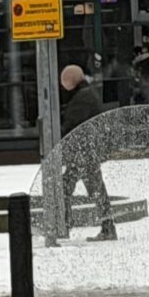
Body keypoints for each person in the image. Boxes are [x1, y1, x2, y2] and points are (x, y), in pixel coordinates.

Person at [58, 65, 116, 241]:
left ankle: (66, 226)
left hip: (83, 152)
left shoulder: (82, 99)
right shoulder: (87, 94)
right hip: (86, 150)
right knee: (80, 186)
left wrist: (58, 138)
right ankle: (105, 226)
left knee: (85, 187)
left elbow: (71, 125)